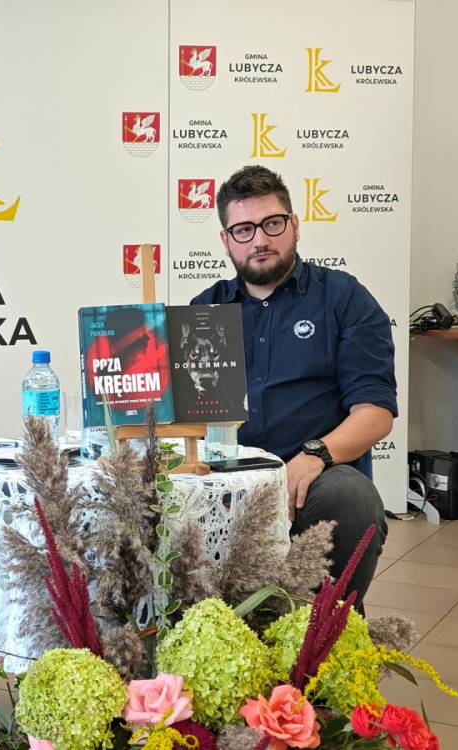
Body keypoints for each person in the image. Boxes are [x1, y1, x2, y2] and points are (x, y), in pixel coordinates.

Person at [191, 165, 396, 610]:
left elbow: (375, 413)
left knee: (350, 497)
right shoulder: (204, 310)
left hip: (316, 477)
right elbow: (187, 415)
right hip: (226, 481)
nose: (259, 240)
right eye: (244, 229)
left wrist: (314, 455)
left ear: (295, 225)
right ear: (226, 240)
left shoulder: (344, 298)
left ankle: (326, 628)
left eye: (272, 223)